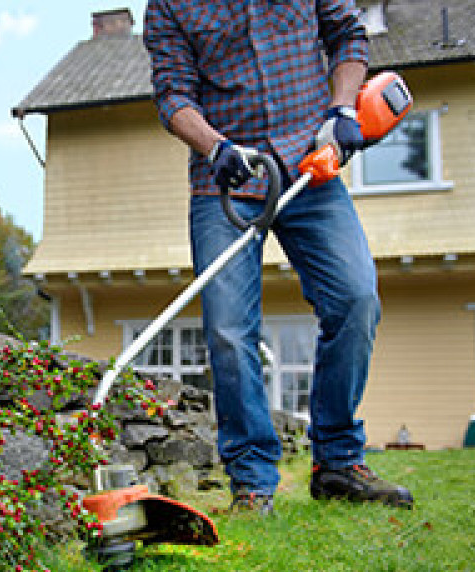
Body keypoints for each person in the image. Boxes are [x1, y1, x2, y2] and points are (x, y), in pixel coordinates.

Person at [143, 0, 413, 514]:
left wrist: (341, 109)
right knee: (227, 331)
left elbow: (348, 38)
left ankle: (336, 462)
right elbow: (174, 93)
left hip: (314, 165)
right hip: (227, 179)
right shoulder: (168, 5)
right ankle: (252, 481)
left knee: (356, 301)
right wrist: (214, 146)